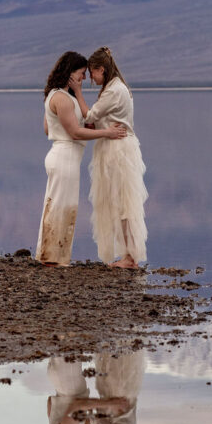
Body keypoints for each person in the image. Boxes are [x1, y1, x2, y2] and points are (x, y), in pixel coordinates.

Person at [36, 51, 126, 267]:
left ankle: (50, 255)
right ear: (70, 73)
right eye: (81, 73)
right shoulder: (62, 98)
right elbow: (75, 133)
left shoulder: (60, 96)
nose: (84, 78)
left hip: (63, 156)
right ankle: (53, 259)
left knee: (56, 204)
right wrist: (107, 134)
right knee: (61, 207)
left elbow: (49, 127)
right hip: (65, 157)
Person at [71, 46, 148, 269]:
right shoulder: (114, 87)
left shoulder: (114, 90)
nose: (90, 79)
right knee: (119, 202)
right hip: (114, 148)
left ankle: (130, 257)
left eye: (92, 73)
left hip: (118, 151)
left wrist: (77, 92)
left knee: (124, 203)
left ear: (101, 69)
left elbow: (91, 115)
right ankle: (127, 254)